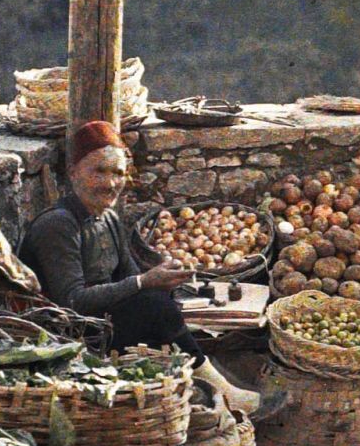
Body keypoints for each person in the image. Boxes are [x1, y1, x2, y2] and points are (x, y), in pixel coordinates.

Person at [19, 120, 277, 418]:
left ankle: (210, 391)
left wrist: (163, 277)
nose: (110, 182)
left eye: (117, 173)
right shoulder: (59, 224)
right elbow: (72, 300)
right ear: (74, 173)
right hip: (69, 332)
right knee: (154, 306)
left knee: (161, 302)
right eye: (98, 171)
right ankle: (223, 395)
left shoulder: (108, 219)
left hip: (100, 321)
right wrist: (145, 283)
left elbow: (129, 277)